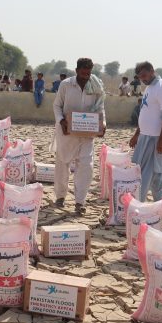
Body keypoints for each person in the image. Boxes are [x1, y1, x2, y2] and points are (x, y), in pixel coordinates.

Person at [52, 58, 106, 214]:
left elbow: (100, 106)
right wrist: (61, 120)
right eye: (82, 73)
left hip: (86, 134)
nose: (85, 76)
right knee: (63, 164)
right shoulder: (66, 85)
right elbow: (57, 105)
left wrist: (103, 124)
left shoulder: (95, 85)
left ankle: (80, 202)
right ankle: (60, 196)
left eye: (88, 73)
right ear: (76, 71)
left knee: (86, 167)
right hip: (66, 133)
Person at [128, 61, 162, 202]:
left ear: (152, 71)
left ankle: (138, 204)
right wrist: (137, 134)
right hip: (144, 136)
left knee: (147, 173)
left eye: (145, 75)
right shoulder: (149, 88)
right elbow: (145, 113)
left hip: (155, 138)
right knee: (153, 173)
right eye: (140, 77)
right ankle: (161, 203)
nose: (143, 79)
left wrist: (161, 140)